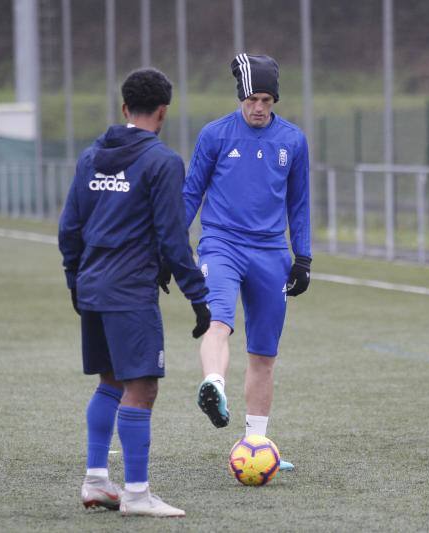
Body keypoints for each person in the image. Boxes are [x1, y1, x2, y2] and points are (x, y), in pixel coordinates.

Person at [58, 68, 211, 517]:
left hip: (93, 288)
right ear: (163, 112)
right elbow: (171, 237)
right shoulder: (162, 162)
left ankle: (96, 482)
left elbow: (70, 228)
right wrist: (198, 296)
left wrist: (75, 281)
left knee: (110, 381)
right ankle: (139, 495)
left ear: (124, 109)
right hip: (129, 290)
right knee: (141, 387)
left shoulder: (90, 158)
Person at [176, 53, 311, 470]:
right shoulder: (215, 135)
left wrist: (303, 257)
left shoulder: (292, 140)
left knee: (264, 353)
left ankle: (256, 442)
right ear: (241, 96)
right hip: (221, 245)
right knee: (218, 320)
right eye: (253, 98)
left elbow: (299, 203)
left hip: (271, 253)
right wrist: (171, 247)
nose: (259, 107)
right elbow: (190, 194)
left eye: (267, 100)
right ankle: (214, 384)